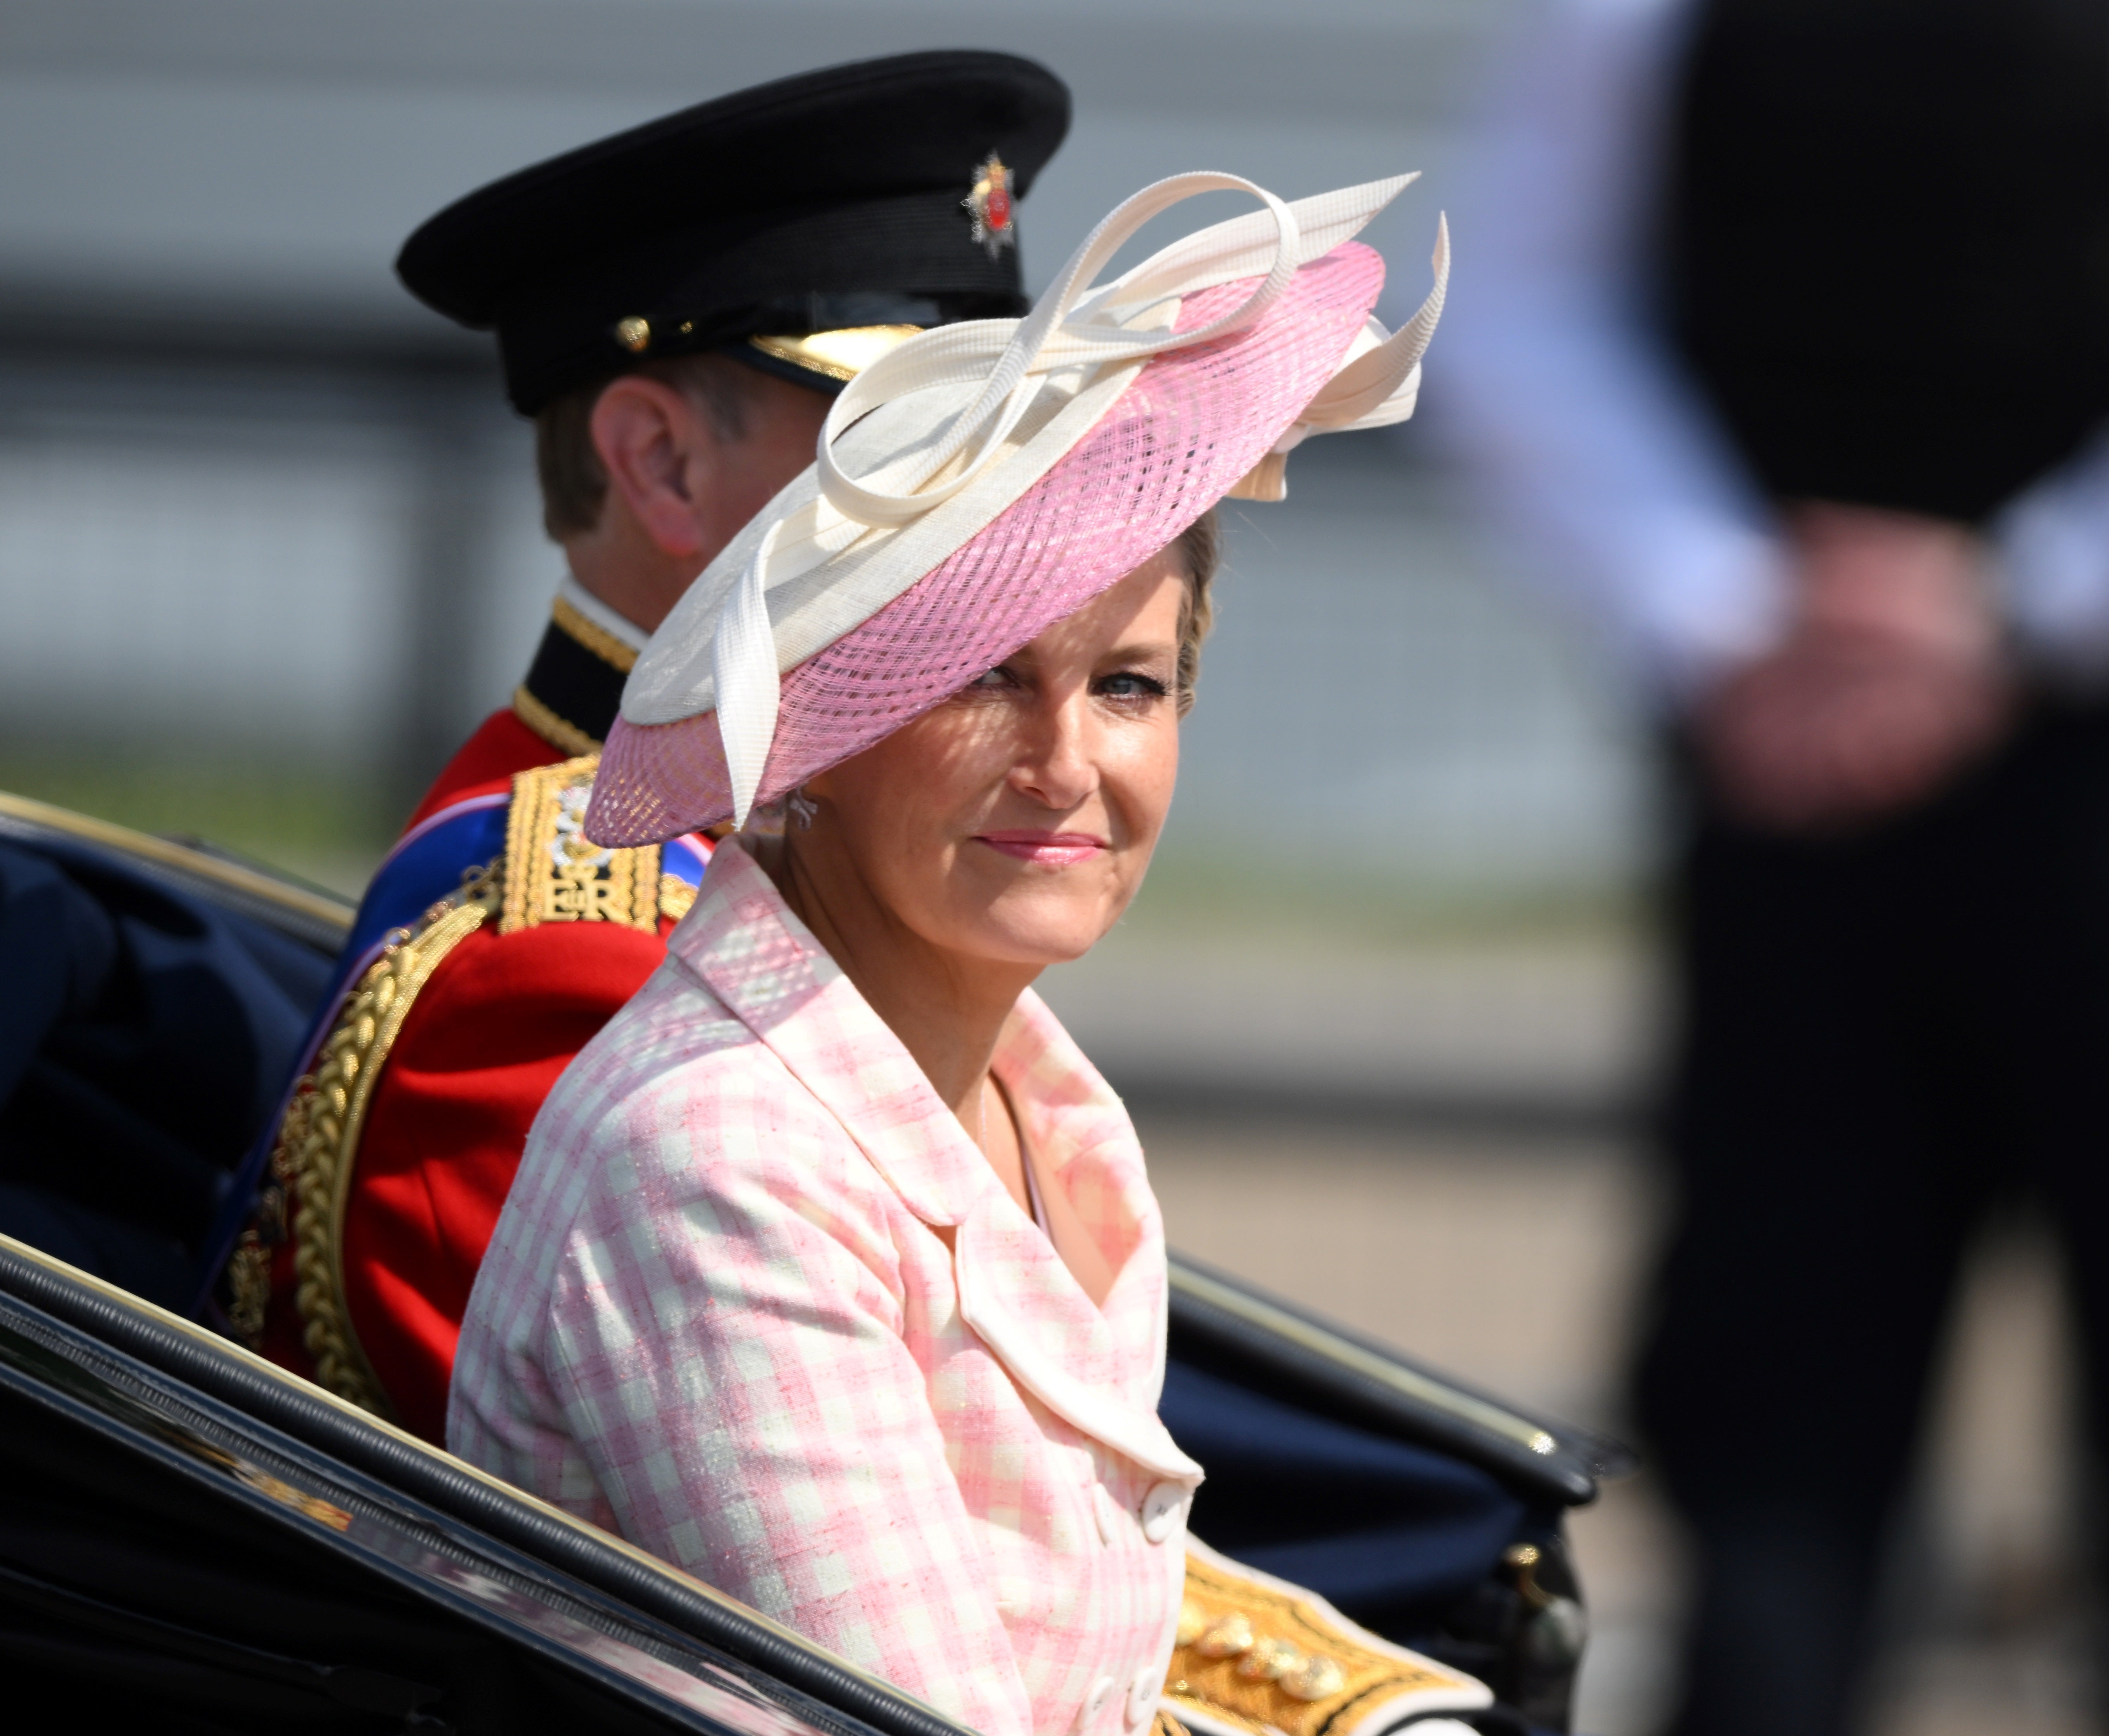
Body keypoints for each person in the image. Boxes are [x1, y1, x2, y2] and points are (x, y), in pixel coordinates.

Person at [450, 169, 1479, 1736]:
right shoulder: (717, 1157)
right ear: (811, 725)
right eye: (983, 678)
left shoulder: (1038, 1106)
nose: (1066, 763)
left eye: (1128, 687)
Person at [203, 52, 1074, 1440]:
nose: (989, 499)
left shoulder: (798, 831)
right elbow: (746, 1582)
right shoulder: (564, 960)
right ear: (661, 464)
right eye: (906, 439)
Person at [1430, 2, 2109, 1731]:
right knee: (1773, 1447)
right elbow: (1522, 298)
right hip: (1788, 790)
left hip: (1972, 737)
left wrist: (2006, 598)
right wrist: (1734, 615)